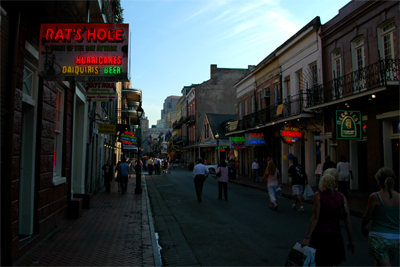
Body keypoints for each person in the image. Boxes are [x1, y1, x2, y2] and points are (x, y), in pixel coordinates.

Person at [300, 173, 355, 266]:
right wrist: (351, 241)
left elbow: (315, 218)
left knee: (320, 262)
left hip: (321, 234)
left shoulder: (319, 195)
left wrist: (307, 237)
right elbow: (347, 220)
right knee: (331, 263)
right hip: (335, 235)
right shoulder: (342, 197)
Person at [361, 167, 399, 266]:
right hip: (396, 238)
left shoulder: (375, 197)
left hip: (379, 238)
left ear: (378, 181)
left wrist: (363, 226)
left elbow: (367, 217)